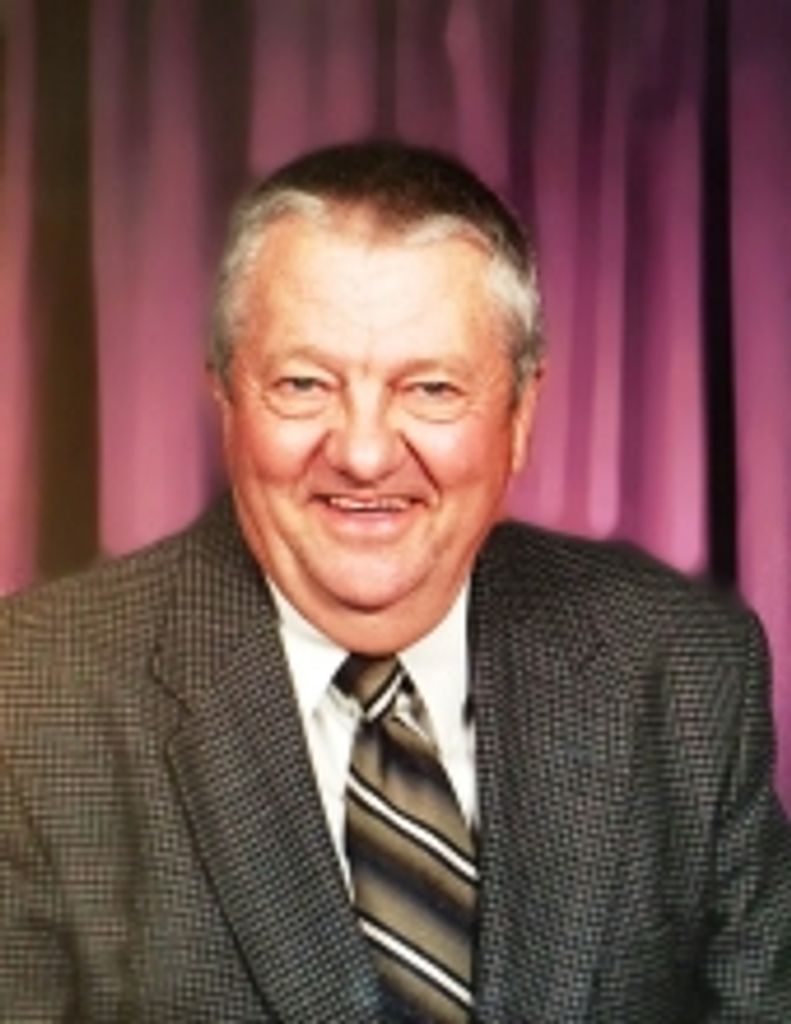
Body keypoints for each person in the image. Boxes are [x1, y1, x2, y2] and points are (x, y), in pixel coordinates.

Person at [1, 140, 789, 1023]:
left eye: (432, 389)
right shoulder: (30, 696)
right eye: (304, 383)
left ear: (520, 414)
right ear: (226, 400)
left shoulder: (683, 668)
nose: (365, 453)